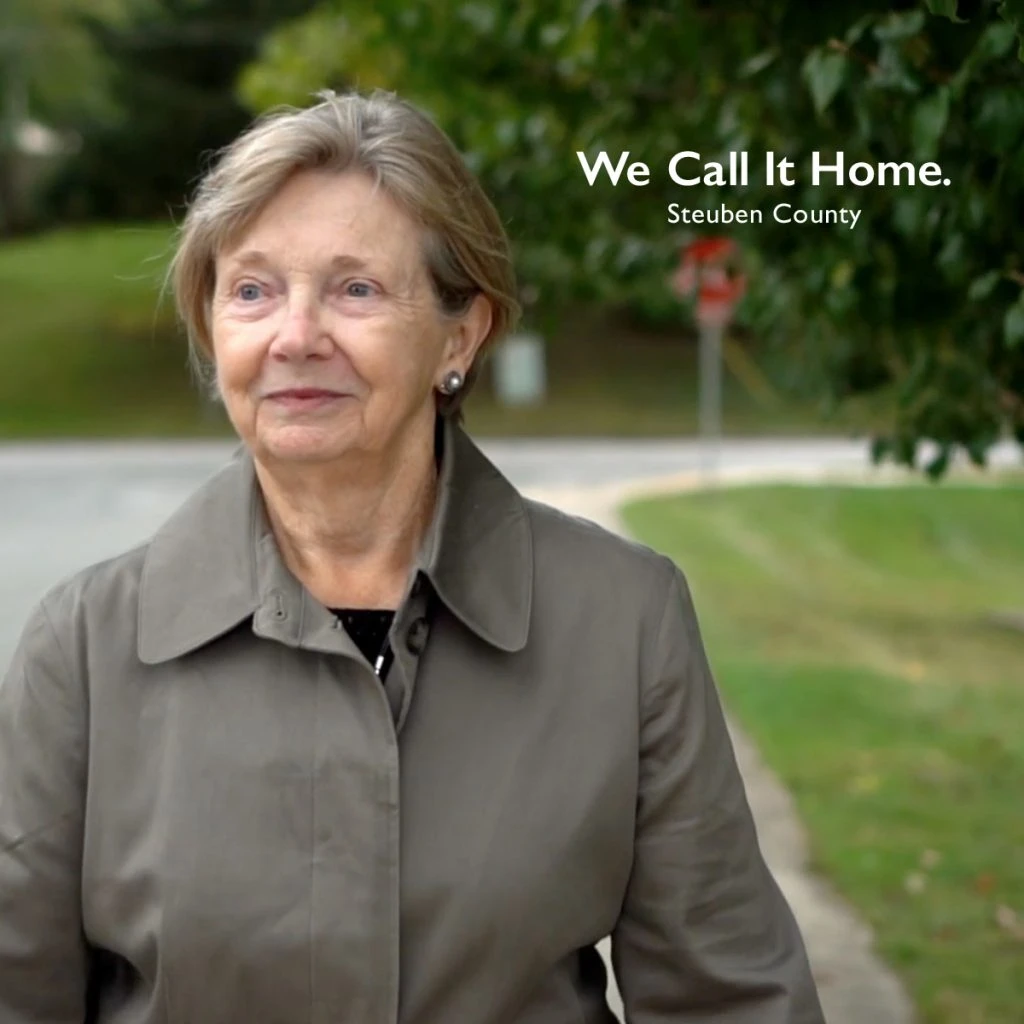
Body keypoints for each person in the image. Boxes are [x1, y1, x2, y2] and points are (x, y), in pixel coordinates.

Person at [0, 89, 824, 1023]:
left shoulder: (624, 621)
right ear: (212, 327)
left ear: (459, 336)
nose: (295, 336)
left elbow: (733, 1002)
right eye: (253, 290)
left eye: (355, 289)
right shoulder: (82, 648)